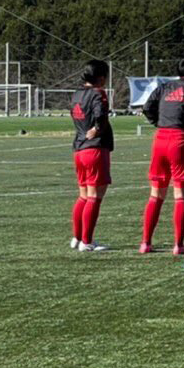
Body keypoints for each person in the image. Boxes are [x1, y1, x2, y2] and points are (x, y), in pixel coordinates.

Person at [140, 58, 184, 255]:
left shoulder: (165, 86)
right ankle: (178, 245)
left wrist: (158, 122)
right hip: (180, 139)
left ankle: (145, 243)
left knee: (156, 194)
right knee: (181, 195)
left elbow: (147, 107)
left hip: (160, 138)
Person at [69, 59, 114, 252]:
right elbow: (100, 114)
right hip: (95, 149)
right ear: (101, 78)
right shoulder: (98, 94)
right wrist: (97, 128)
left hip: (79, 148)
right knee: (95, 196)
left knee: (83, 196)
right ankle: (86, 242)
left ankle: (78, 237)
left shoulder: (76, 94)